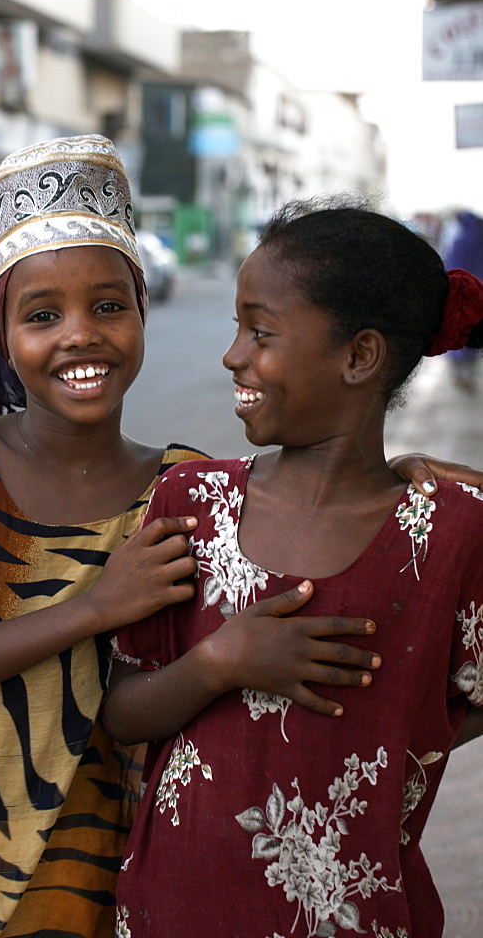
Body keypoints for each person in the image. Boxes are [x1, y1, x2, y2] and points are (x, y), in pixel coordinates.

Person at [0, 139, 478, 938]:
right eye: (40, 315)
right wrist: (97, 608)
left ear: (140, 311)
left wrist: (390, 472)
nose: (80, 336)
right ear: (1, 331)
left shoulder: (184, 487)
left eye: (109, 306)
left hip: (104, 865)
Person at [103, 199, 483, 938]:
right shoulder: (191, 502)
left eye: (261, 331)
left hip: (360, 918)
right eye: (237, 327)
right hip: (170, 911)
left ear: (358, 356)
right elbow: (121, 710)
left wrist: (404, 728)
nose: (232, 354)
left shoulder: (451, 535)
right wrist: (219, 662)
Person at [441, 209, 483, 393]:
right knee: (474, 336)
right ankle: (468, 376)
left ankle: (460, 375)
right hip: (479, 296)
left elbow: (450, 269)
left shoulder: (459, 242)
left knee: (457, 334)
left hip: (460, 296)